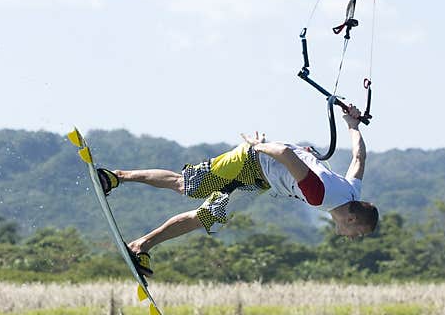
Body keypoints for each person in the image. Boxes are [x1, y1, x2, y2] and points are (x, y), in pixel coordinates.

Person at [96, 104, 378, 276]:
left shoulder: (351, 192)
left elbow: (358, 159)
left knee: (205, 218)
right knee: (188, 185)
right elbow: (283, 153)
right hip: (252, 159)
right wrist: (257, 146)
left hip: (260, 181)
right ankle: (117, 177)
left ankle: (140, 246)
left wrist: (352, 125)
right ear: (352, 219)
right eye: (359, 234)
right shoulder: (321, 196)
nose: (353, 238)